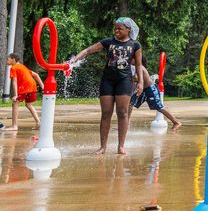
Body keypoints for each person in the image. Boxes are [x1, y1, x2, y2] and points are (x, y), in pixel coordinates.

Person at [70, 17, 143, 155]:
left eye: (120, 28)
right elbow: (88, 50)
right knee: (106, 114)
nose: (116, 31)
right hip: (108, 80)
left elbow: (138, 65)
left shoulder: (135, 45)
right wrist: (74, 60)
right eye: (115, 28)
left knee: (122, 113)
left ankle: (121, 146)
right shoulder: (108, 42)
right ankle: (103, 146)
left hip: (125, 80)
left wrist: (141, 82)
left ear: (128, 29)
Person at [128, 58, 182, 130]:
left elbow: (136, 78)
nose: (129, 59)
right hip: (142, 90)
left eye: (132, 58)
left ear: (136, 60)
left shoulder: (139, 67)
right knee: (130, 104)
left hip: (150, 89)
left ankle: (176, 122)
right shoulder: (135, 67)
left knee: (158, 106)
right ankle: (126, 123)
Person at [1, 54, 44, 131]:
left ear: (13, 59)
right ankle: (38, 123)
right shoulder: (23, 67)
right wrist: (43, 86)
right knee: (28, 105)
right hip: (32, 86)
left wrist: (16, 95)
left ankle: (14, 126)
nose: (6, 60)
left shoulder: (13, 68)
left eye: (8, 59)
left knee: (15, 103)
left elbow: (14, 81)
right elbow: (36, 75)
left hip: (25, 87)